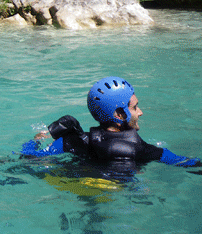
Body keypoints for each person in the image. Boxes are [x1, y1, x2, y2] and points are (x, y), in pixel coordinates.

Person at [21, 76, 200, 179]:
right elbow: (185, 163)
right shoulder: (144, 150)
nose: (141, 112)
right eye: (135, 107)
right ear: (119, 115)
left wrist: (36, 140)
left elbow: (29, 158)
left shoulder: (73, 141)